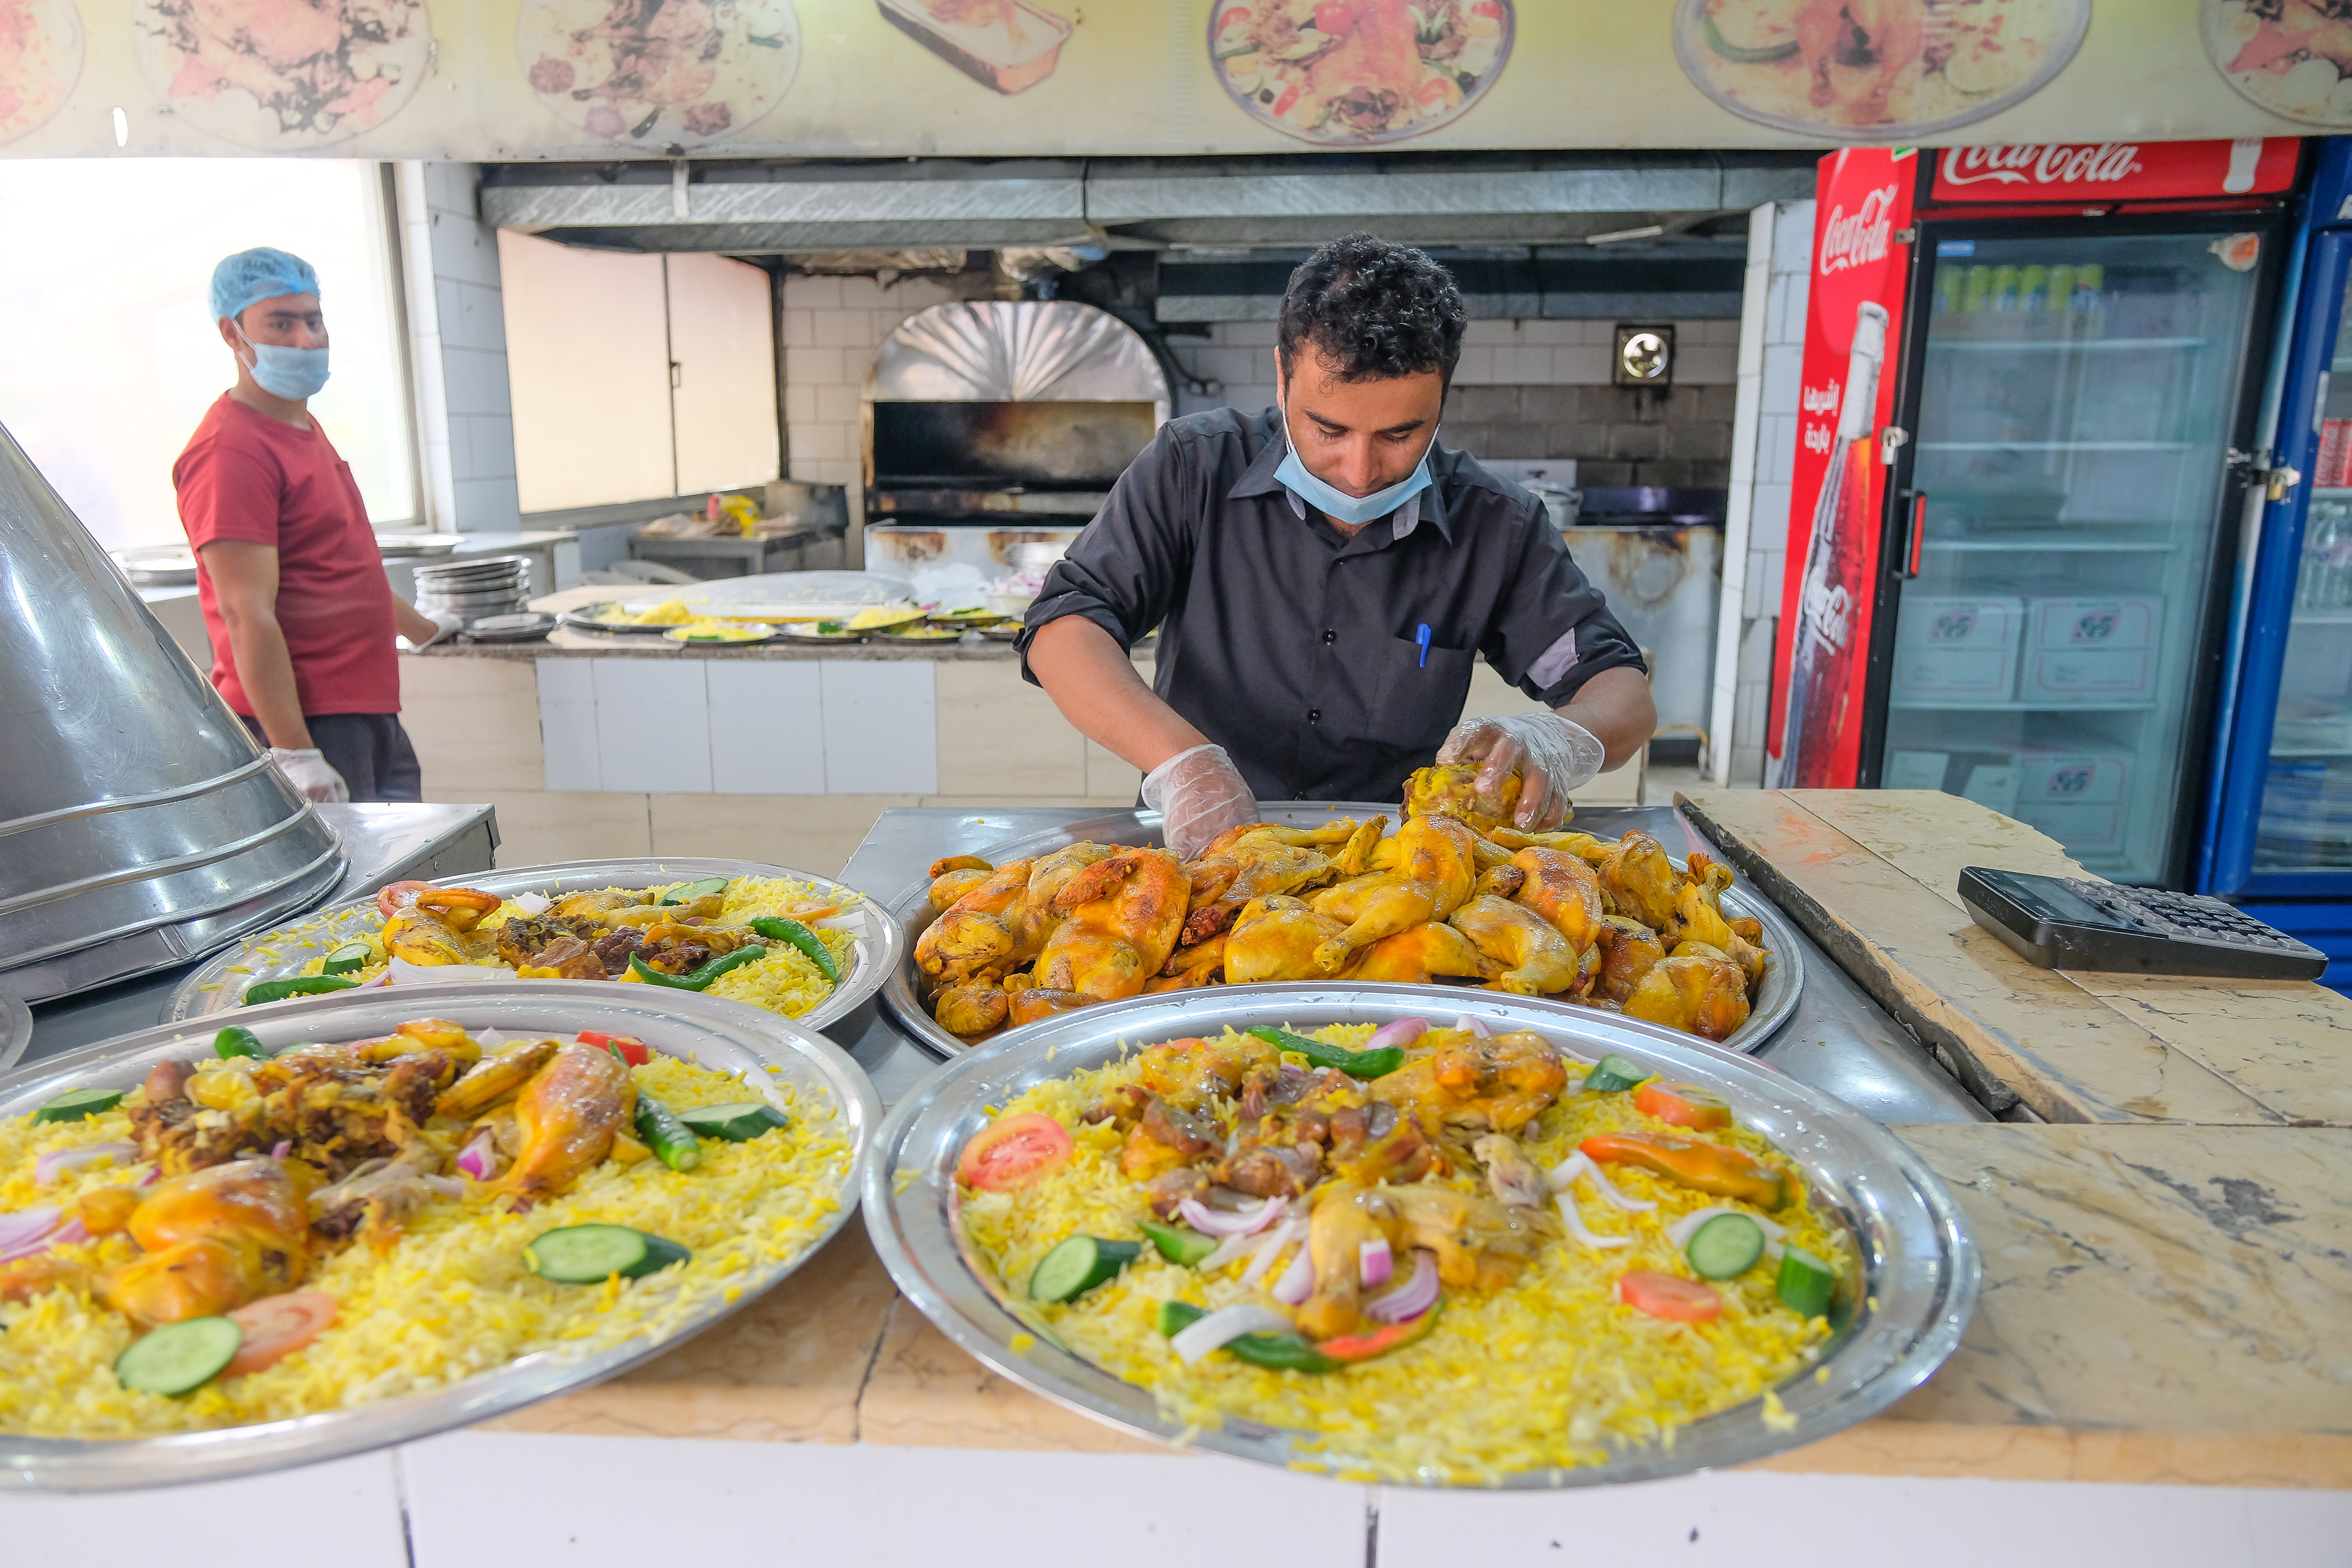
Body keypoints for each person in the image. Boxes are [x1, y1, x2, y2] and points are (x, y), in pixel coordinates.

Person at [1020, 232, 1656, 858]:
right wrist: (1182, 762)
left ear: (1442, 401)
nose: (1359, 470)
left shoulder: (1497, 525)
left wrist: (1556, 739)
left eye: (1401, 435)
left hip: (1394, 875)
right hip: (1203, 856)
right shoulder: (1193, 467)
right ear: (1281, 376)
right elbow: (1065, 627)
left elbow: (1619, 691)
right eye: (1328, 429)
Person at [174, 247, 460, 804]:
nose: (306, 339)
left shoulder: (300, 425)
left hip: (364, 708)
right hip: (309, 722)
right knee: (359, 887)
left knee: (403, 881)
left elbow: (337, 563)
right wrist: (296, 753)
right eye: (281, 323)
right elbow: (245, 613)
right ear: (234, 334)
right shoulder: (230, 451)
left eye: (313, 320)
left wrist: (425, 630)